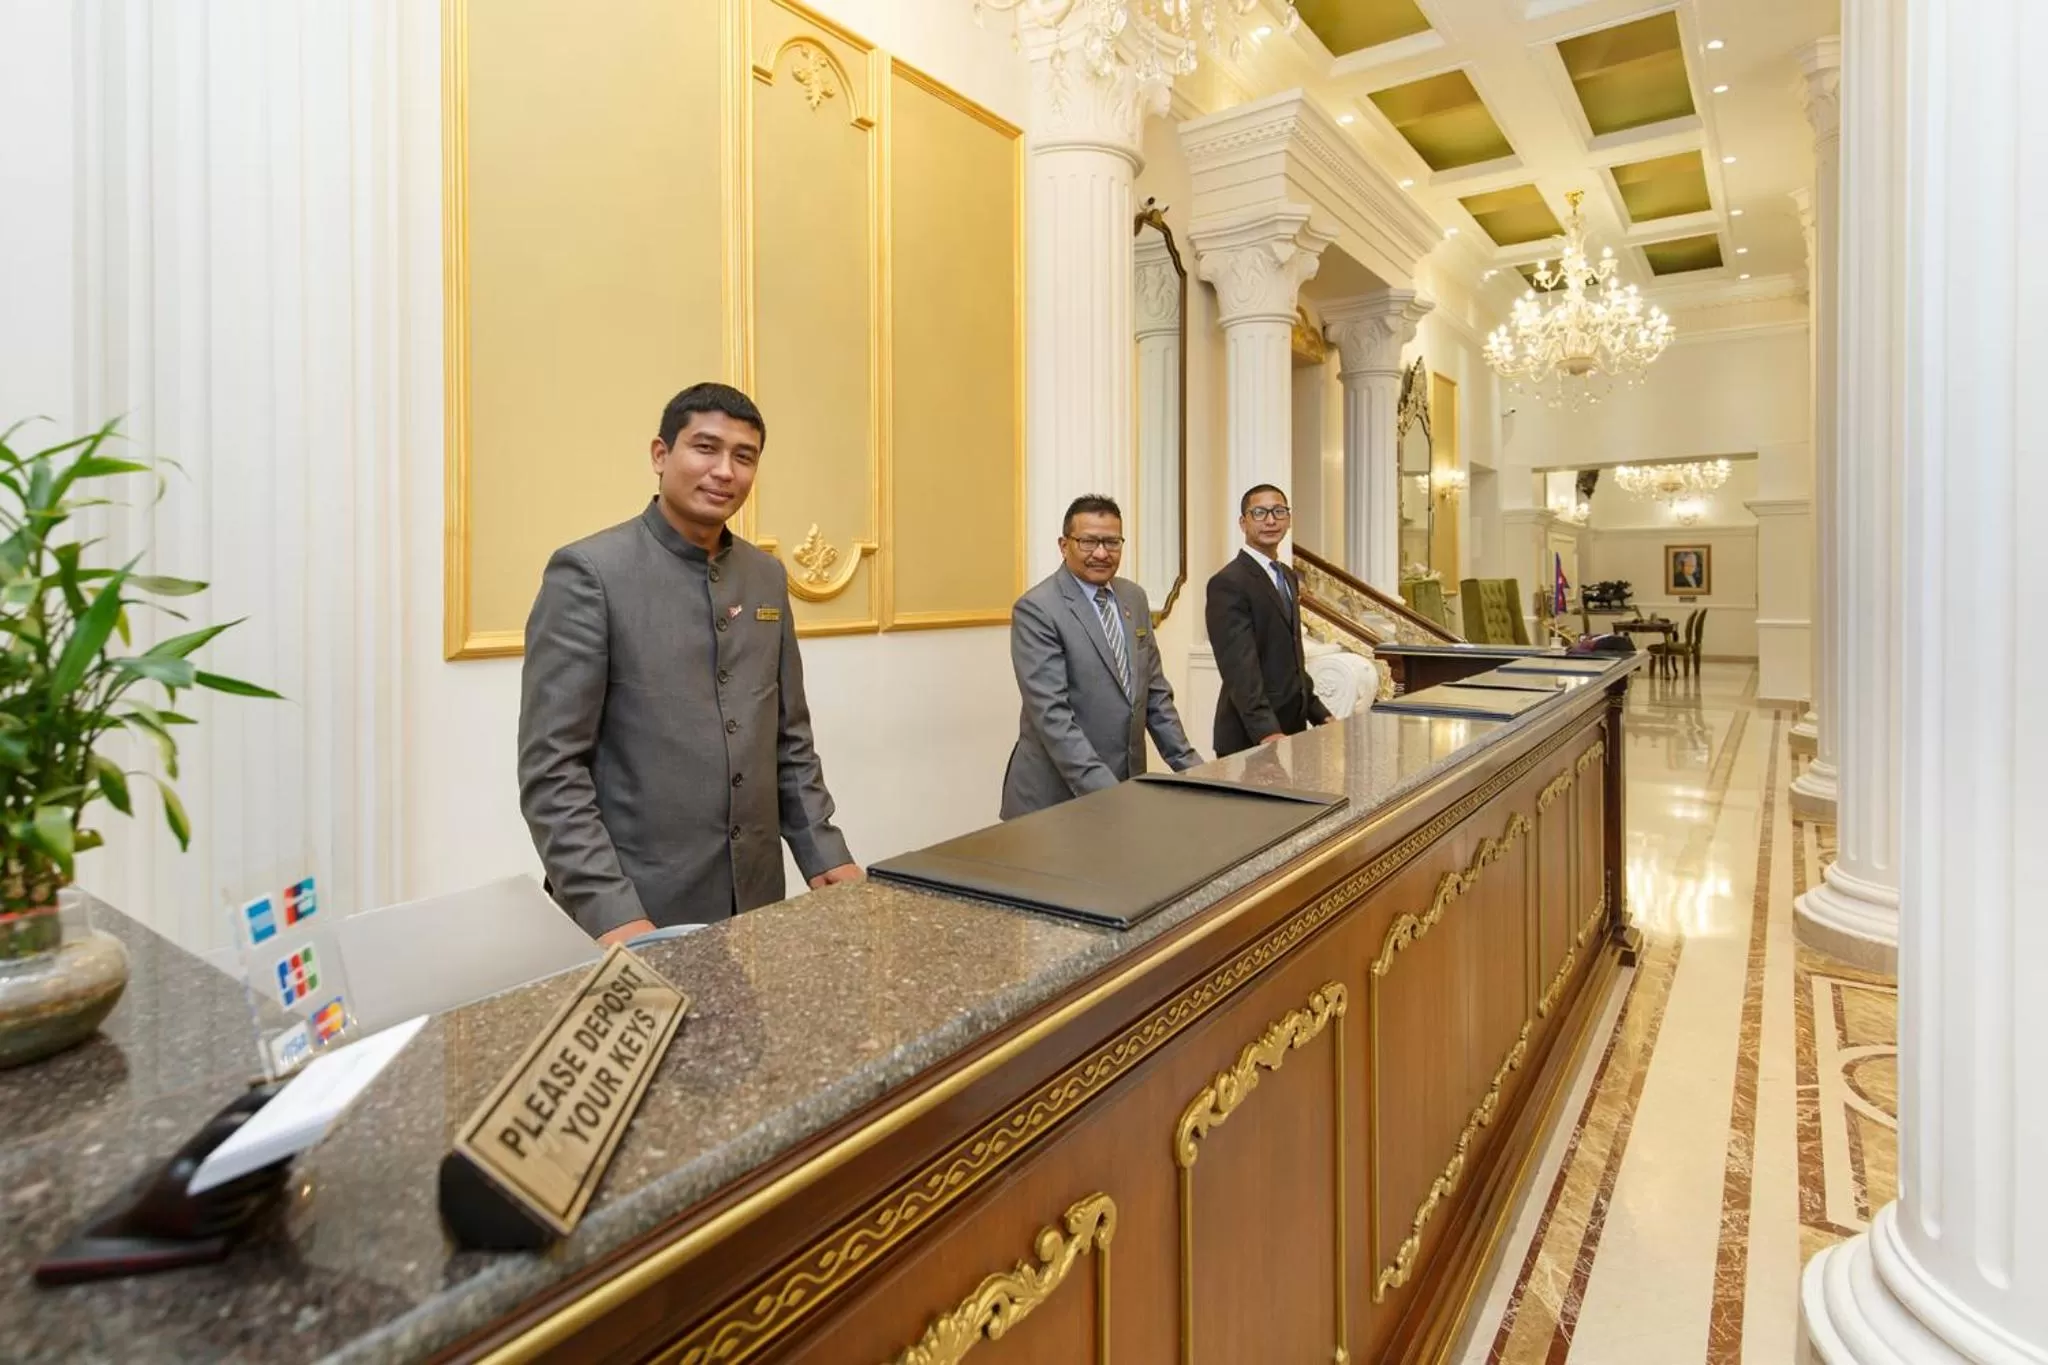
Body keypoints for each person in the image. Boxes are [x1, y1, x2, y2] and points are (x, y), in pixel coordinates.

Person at [517, 382, 859, 944]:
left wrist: (827, 856)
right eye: (705, 448)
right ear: (660, 455)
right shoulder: (590, 573)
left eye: (743, 457)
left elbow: (788, 741)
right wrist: (614, 913)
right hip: (634, 910)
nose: (724, 470)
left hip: (752, 901)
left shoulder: (766, 576)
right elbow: (553, 773)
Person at [1001, 496, 1201, 818]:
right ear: (1064, 545)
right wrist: (1111, 796)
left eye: (1112, 542)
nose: (1101, 553)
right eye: (1088, 541)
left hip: (1122, 790)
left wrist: (1194, 771)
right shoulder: (1038, 609)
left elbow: (1156, 696)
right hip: (1055, 802)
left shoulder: (1133, 597)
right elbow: (1053, 717)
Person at [1205, 483, 1333, 757]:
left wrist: (1320, 714)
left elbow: (1291, 660)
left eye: (1278, 511)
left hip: (1292, 731)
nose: (1271, 520)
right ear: (1243, 522)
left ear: (1288, 518)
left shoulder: (1287, 576)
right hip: (1251, 737)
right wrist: (1267, 731)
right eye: (1260, 513)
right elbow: (1240, 669)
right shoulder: (1228, 582)